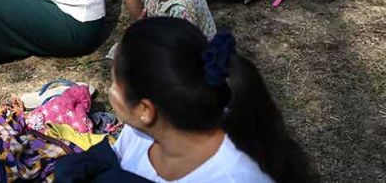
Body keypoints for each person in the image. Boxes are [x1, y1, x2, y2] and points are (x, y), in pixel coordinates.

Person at [109, 18, 316, 182]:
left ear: (145, 110)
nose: (111, 91)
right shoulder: (137, 135)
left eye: (115, 84)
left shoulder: (236, 178)